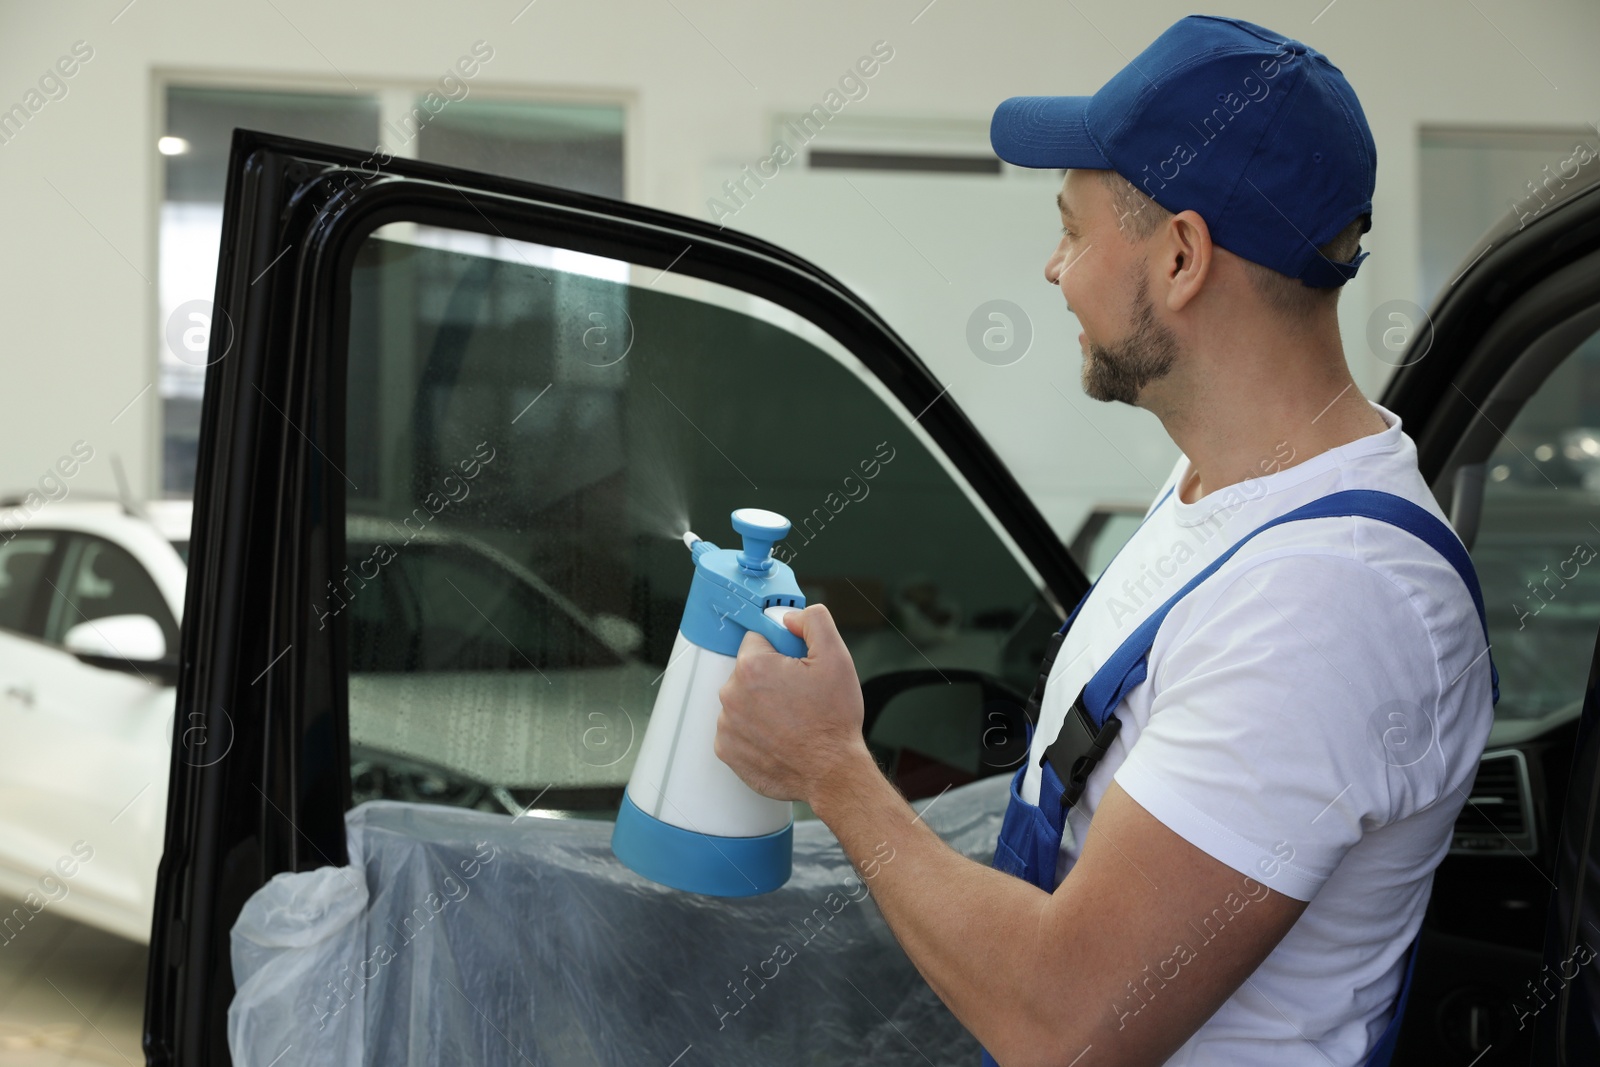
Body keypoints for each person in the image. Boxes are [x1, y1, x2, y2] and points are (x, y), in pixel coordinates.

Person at [715, 14, 1496, 1066]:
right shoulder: (1219, 490)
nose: (1053, 268)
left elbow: (1067, 1023)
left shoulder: (1329, 601)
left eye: (1073, 229)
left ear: (1181, 256)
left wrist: (832, 766)